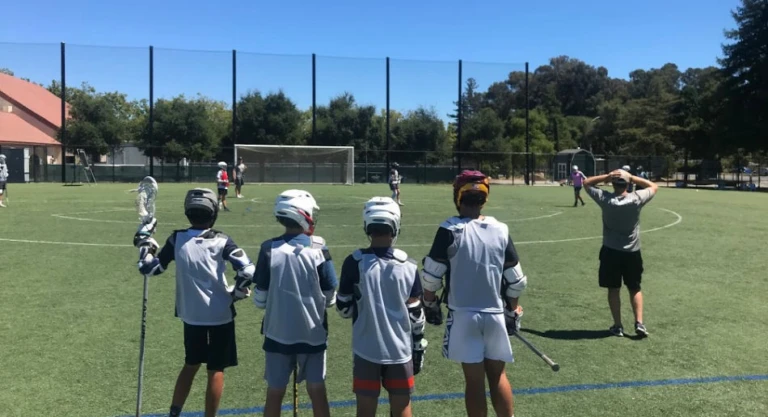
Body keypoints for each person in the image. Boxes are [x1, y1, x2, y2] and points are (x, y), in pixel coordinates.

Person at [133, 188, 256, 417]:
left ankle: (174, 412)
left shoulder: (177, 239)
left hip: (191, 315)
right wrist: (238, 292)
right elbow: (248, 271)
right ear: (213, 212)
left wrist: (145, 242)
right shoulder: (222, 240)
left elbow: (149, 268)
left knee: (191, 364)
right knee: (216, 369)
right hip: (220, 315)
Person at [421, 170, 528, 417]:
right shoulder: (500, 229)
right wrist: (512, 311)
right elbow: (516, 280)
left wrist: (430, 303)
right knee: (498, 375)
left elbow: (431, 277)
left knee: (474, 381)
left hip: (463, 316)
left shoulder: (449, 229)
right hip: (495, 314)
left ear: (458, 196)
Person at [249, 190, 337, 417]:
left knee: (275, 391)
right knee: (317, 389)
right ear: (302, 214)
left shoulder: (268, 248)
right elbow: (330, 296)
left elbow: (260, 299)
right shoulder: (319, 247)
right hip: (313, 333)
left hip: (277, 333)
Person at [336, 197, 427, 417]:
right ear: (395, 225)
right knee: (402, 407)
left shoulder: (354, 262)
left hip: (366, 349)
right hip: (399, 350)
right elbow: (416, 314)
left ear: (367, 225)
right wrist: (418, 346)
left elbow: (344, 309)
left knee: (365, 410)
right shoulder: (408, 265)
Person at [583, 169, 659, 337]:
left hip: (610, 251)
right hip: (632, 252)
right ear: (628, 184)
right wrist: (632, 177)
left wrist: (607, 176)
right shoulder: (636, 199)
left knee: (613, 289)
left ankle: (618, 326)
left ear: (613, 184)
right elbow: (653, 186)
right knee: (634, 288)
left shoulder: (605, 199)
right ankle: (639, 323)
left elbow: (586, 183)